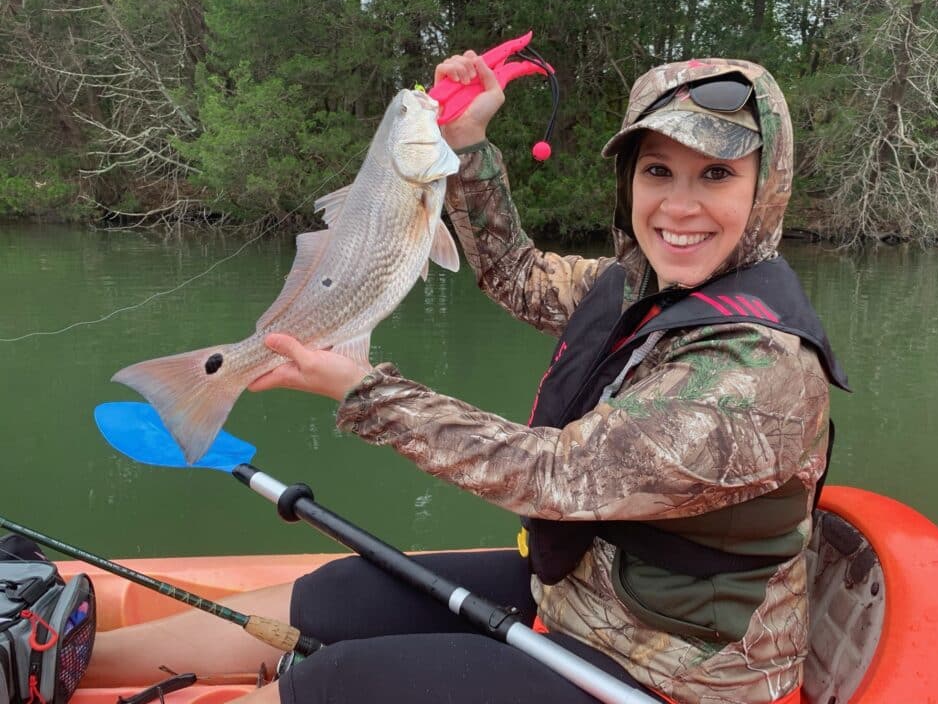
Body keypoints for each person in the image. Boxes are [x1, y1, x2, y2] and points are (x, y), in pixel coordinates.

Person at [82, 53, 847, 704]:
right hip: (584, 595)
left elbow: (556, 475)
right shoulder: (637, 291)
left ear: (764, 188)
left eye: (715, 174)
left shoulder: (758, 368)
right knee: (340, 593)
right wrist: (468, 141)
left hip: (675, 677)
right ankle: (60, 660)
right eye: (657, 170)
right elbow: (518, 275)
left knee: (344, 684)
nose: (679, 205)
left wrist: (365, 391)